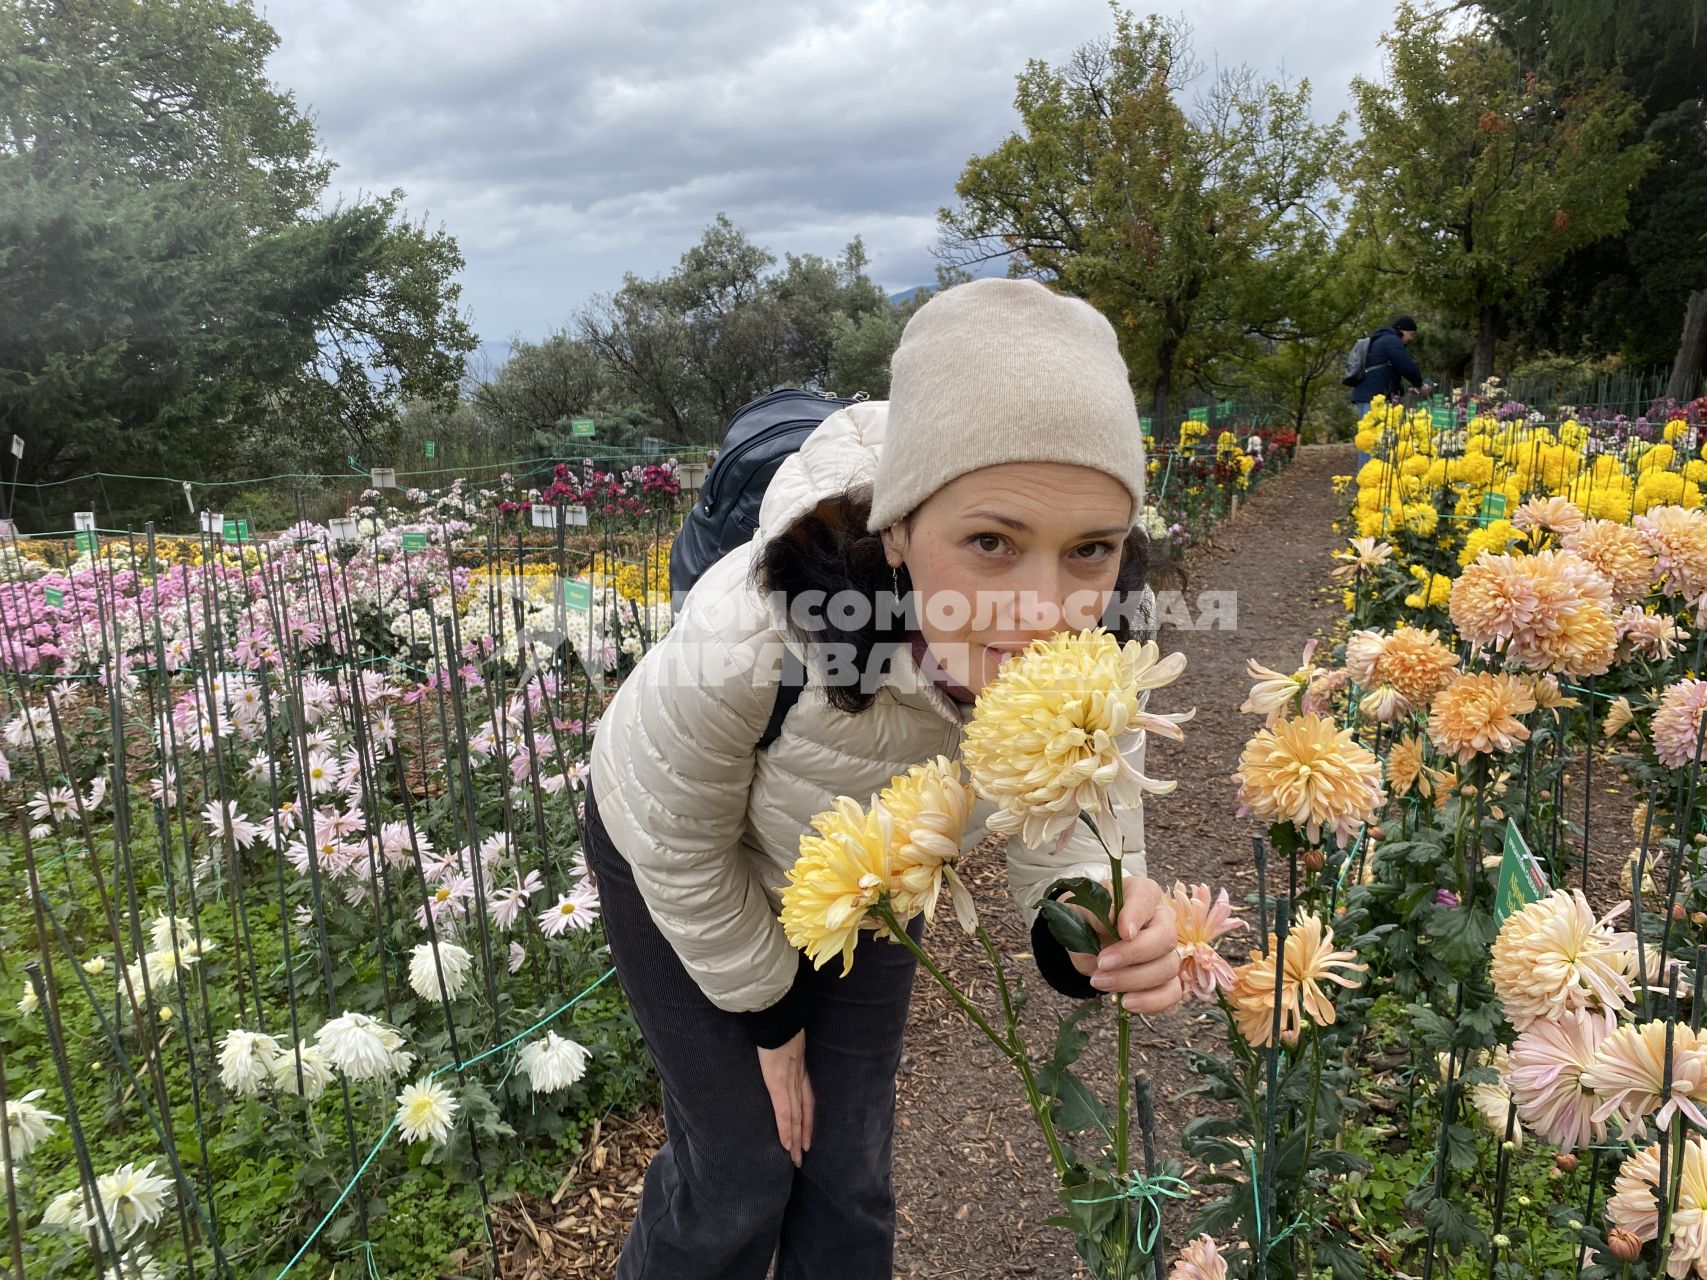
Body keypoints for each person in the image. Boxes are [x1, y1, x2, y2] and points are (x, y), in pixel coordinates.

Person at [584, 277, 1186, 1280]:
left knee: (847, 1169)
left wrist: (1094, 913)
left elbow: (1073, 806)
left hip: (879, 876)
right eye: (990, 542)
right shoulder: (751, 633)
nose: (1045, 608)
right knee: (740, 1169)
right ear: (900, 528)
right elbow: (674, 834)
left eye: (1090, 547)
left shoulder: (1106, 630)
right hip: (680, 851)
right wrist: (769, 1014)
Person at [1349, 313, 1429, 421]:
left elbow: (1385, 372)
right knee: (1375, 433)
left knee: (1368, 430)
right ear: (1403, 330)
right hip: (1374, 398)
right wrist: (1420, 384)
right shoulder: (1392, 341)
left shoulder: (1380, 339)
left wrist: (1403, 390)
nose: (1411, 338)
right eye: (1411, 334)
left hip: (1365, 394)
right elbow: (1407, 367)